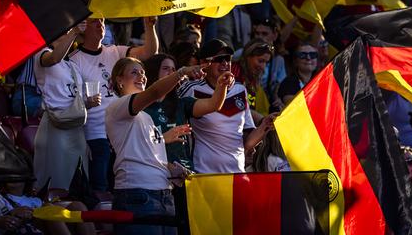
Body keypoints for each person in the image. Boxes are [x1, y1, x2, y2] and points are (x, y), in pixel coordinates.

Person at [105, 58, 210, 235]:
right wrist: (181, 72)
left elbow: (152, 158)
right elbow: (154, 93)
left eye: (143, 73)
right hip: (137, 194)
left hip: (163, 195)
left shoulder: (145, 118)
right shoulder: (117, 105)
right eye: (134, 72)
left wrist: (172, 170)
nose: (142, 76)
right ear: (119, 80)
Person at [68, 17, 159, 193]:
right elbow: (74, 100)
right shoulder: (74, 59)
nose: (100, 24)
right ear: (83, 27)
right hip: (97, 132)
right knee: (101, 187)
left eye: (102, 21)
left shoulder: (115, 51)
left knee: (122, 184)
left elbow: (149, 52)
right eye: (95, 21)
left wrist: (149, 26)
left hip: (122, 129)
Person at [177, 39, 275, 173]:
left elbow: (247, 142)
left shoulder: (240, 90)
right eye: (219, 59)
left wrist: (265, 125)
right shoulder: (191, 89)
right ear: (203, 63)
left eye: (228, 58)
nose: (225, 63)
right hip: (204, 173)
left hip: (236, 173)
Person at [33, 29, 99, 192]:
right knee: (56, 179)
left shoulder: (72, 66)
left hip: (75, 126)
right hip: (55, 124)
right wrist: (75, 31)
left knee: (77, 180)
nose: (66, 35)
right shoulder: (42, 54)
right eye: (64, 32)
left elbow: (74, 100)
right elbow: (54, 58)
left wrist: (88, 103)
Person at [231, 39, 274, 117]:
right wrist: (262, 120)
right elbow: (237, 107)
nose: (263, 67)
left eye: (266, 63)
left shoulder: (252, 76)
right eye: (260, 61)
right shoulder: (234, 74)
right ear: (248, 56)